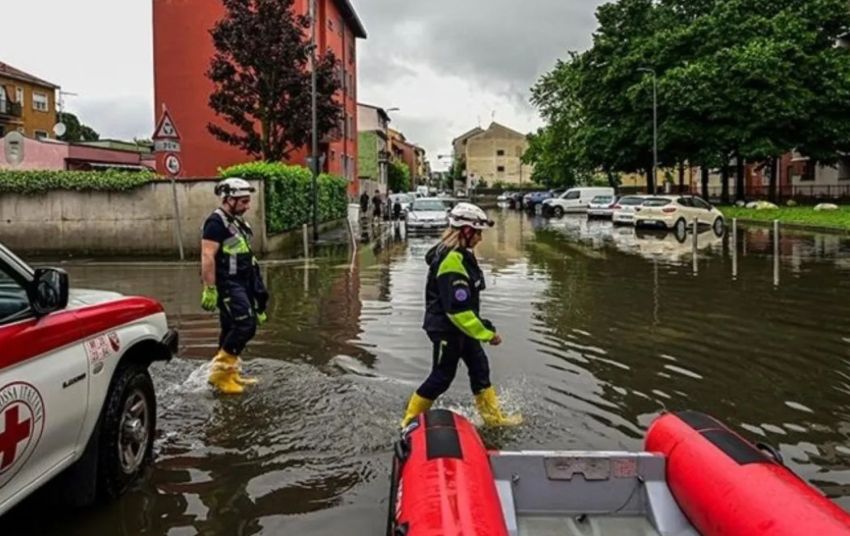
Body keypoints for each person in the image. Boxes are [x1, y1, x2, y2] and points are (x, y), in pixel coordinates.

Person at [400, 203, 521, 428]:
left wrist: (479, 329)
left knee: (480, 369)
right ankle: (408, 422)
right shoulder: (451, 261)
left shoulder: (461, 254)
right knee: (442, 377)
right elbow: (458, 310)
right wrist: (487, 333)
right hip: (447, 329)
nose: (480, 239)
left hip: (463, 328)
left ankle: (494, 421)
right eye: (478, 233)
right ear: (466, 231)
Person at [200, 177, 270, 395]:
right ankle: (220, 374)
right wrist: (210, 288)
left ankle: (230, 373)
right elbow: (207, 255)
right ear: (229, 199)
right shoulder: (215, 223)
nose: (248, 206)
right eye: (243, 202)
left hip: (243, 281)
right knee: (245, 326)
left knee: (230, 327)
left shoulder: (237, 221)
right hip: (228, 284)